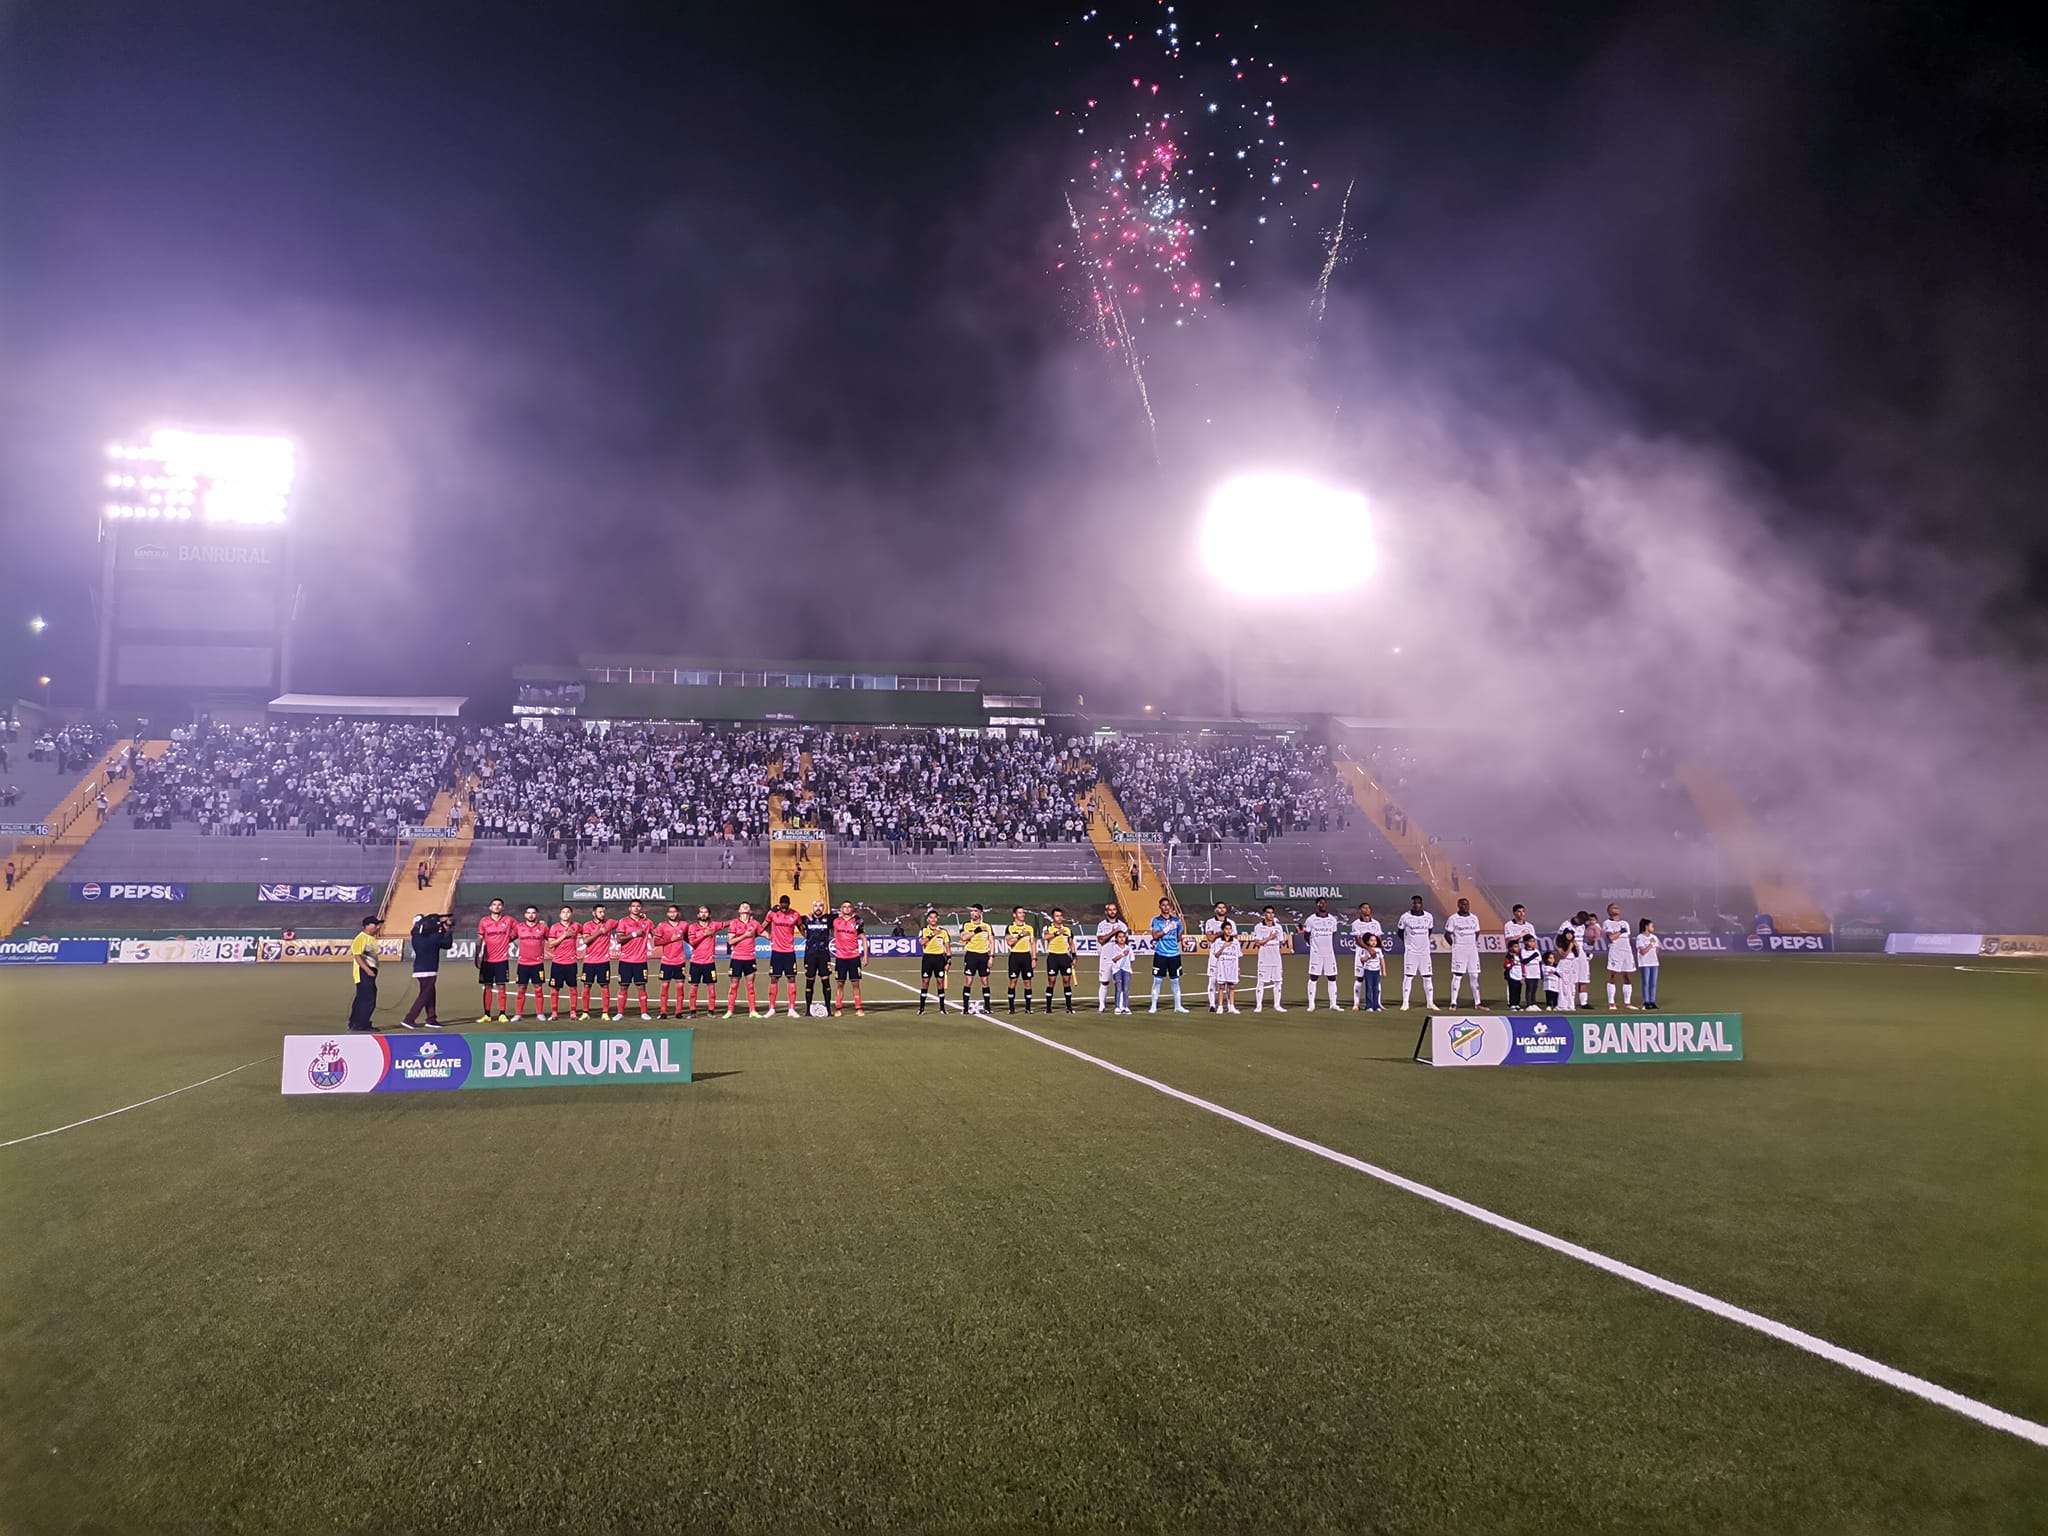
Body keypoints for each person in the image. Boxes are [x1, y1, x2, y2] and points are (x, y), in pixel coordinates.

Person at [402, 911, 451, 1029]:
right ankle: (409, 1019)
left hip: (419, 968)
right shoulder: (433, 937)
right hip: (429, 969)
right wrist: (447, 930)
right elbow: (447, 944)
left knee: (430, 994)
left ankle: (431, 1018)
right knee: (425, 995)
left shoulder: (417, 937)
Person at [476, 897, 515, 1024]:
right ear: (490, 907)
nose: (496, 907)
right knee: (487, 986)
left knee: (501, 986)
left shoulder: (508, 920)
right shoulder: (484, 921)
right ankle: (487, 1014)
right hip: (487, 960)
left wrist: (509, 939)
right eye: (494, 904)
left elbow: (520, 929)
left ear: (502, 907)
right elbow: (480, 939)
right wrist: (477, 955)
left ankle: (502, 1014)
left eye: (499, 905)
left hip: (502, 960)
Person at [615, 900, 656, 1020]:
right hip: (625, 961)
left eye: (638, 906)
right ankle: (620, 1013)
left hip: (641, 961)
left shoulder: (647, 922)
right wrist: (634, 934)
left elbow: (656, 934)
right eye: (633, 906)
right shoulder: (623, 921)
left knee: (641, 987)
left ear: (641, 908)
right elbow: (619, 939)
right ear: (629, 908)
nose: (636, 908)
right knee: (623, 986)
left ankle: (644, 1012)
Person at [764, 895, 803, 1017]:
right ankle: (771, 1008)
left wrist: (810, 937)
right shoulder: (772, 914)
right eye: (782, 905)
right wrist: (766, 935)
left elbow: (802, 929)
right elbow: (763, 925)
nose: (784, 907)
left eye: (786, 905)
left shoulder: (795, 915)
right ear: (780, 904)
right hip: (776, 952)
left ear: (789, 904)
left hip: (789, 952)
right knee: (774, 978)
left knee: (791, 978)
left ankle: (791, 1009)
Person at [1148, 898, 1189, 1014]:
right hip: (1161, 954)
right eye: (1163, 905)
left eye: (1168, 905)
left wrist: (1182, 940)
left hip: (1174, 954)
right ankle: (1153, 1006)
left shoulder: (1177, 920)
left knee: (1175, 981)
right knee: (1157, 980)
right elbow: (1155, 936)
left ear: (1170, 907)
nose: (1166, 907)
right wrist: (1166, 929)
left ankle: (1178, 1006)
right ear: (1160, 906)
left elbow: (1178, 935)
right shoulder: (1156, 920)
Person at [724, 901, 765, 1018]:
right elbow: (730, 941)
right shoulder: (734, 923)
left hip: (750, 958)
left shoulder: (755, 923)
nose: (745, 906)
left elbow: (765, 934)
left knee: (751, 986)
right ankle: (730, 1011)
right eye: (742, 905)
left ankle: (752, 1011)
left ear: (750, 910)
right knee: (734, 986)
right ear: (739, 910)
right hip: (737, 958)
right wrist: (745, 935)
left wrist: (774, 938)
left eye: (747, 906)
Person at [1300, 898, 1341, 1010]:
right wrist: (1313, 946)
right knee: (1313, 977)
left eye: (1324, 903)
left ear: (1326, 905)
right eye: (1319, 903)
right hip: (1316, 954)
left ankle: (1333, 1004)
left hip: (1329, 954)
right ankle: (1311, 1004)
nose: (1322, 905)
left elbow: (1334, 935)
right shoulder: (1311, 919)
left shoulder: (1332, 919)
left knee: (1332, 977)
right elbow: (1306, 935)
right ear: (1316, 905)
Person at [578, 903, 617, 1021]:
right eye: (600, 912)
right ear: (594, 913)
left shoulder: (610, 923)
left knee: (605, 986)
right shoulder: (587, 925)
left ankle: (605, 1013)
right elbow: (585, 941)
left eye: (604, 912)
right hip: (589, 962)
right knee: (586, 986)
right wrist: (599, 932)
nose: (602, 914)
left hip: (604, 962)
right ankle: (585, 1012)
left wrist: (641, 917)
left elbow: (624, 922)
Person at [1398, 895, 1437, 1011]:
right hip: (1411, 953)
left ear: (1421, 904)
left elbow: (1429, 931)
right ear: (1412, 904)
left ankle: (1430, 1003)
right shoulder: (1405, 917)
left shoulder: (1429, 916)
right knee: (1409, 976)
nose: (1416, 905)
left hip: (1425, 953)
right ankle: (1405, 1003)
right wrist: (1408, 944)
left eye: (1418, 903)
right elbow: (1400, 932)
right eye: (1414, 903)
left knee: (1427, 977)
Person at [511, 904, 548, 1021]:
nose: (531, 915)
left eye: (533, 913)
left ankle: (540, 1013)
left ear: (536, 914)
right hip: (523, 964)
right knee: (521, 989)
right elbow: (508, 938)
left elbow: (552, 940)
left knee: (538, 989)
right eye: (528, 913)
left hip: (537, 963)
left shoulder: (543, 928)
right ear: (525, 915)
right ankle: (518, 1014)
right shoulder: (519, 927)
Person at [685, 905, 724, 1016]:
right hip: (695, 963)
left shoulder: (714, 925)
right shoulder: (692, 927)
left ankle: (711, 1011)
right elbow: (692, 943)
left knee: (711, 989)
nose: (703, 914)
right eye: (701, 912)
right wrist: (704, 934)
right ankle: (693, 1011)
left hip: (709, 963)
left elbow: (727, 923)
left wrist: (743, 916)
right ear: (698, 915)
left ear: (709, 914)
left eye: (705, 912)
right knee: (693, 989)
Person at [347, 915, 384, 1031]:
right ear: (367, 926)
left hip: (368, 971)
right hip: (363, 971)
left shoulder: (370, 938)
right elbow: (357, 955)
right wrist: (368, 970)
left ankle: (355, 1023)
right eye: (375, 924)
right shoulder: (361, 938)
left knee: (361, 998)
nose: (378, 927)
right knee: (368, 999)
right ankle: (362, 1024)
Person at [653, 903, 689, 1018]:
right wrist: (670, 939)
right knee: (664, 988)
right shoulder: (662, 925)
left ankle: (679, 1012)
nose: (672, 914)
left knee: (680, 988)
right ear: (667, 913)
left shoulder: (684, 925)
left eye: (674, 912)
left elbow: (690, 939)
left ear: (678, 913)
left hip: (680, 961)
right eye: (670, 912)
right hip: (666, 962)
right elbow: (656, 942)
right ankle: (663, 1012)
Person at [1446, 897, 1484, 1008]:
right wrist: (1455, 946)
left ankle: (1478, 1003)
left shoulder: (1474, 918)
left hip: (1472, 950)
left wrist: (1472, 943)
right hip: (1460, 950)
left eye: (1467, 904)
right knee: (1458, 975)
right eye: (1462, 904)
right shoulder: (1453, 918)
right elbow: (1447, 934)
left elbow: (1477, 932)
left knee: (1474, 975)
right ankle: (1453, 1003)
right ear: (1458, 905)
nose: (1465, 906)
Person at [545, 906, 580, 1021]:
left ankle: (573, 1012)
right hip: (558, 963)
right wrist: (564, 935)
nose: (566, 914)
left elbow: (588, 932)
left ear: (571, 914)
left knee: (573, 988)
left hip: (571, 962)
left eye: (568, 912)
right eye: (563, 912)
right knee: (555, 989)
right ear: (560, 915)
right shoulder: (554, 927)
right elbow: (551, 944)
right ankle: (554, 1013)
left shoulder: (577, 926)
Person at [831, 900, 866, 1016]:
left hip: (854, 957)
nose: (846, 908)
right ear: (841, 909)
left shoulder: (857, 922)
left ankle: (858, 1007)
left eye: (848, 907)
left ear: (852, 909)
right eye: (844, 907)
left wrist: (865, 956)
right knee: (840, 983)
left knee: (855, 983)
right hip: (840, 958)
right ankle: (838, 1008)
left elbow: (864, 939)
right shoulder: (835, 921)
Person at [1250, 905, 1287, 1012]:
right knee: (1261, 982)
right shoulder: (1258, 927)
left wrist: (1279, 942)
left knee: (1278, 981)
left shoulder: (1278, 927)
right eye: (1268, 913)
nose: (1270, 915)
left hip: (1276, 959)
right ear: (1264, 914)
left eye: (1272, 913)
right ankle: (1258, 1006)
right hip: (1264, 958)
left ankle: (1277, 1005)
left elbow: (1281, 941)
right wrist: (1269, 938)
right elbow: (1258, 943)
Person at [958, 904, 994, 1014]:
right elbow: (963, 937)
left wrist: (991, 957)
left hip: (984, 955)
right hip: (971, 955)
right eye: (972, 911)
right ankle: (965, 1008)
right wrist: (975, 931)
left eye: (975, 911)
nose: (972, 913)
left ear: (980, 913)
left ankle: (987, 1007)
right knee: (968, 981)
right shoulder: (967, 925)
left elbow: (992, 941)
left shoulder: (987, 926)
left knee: (985, 981)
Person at [1601, 902, 1637, 1010]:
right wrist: (1620, 932)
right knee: (1613, 975)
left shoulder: (1625, 923)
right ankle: (1611, 1003)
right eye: (1613, 908)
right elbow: (1611, 937)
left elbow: (1627, 937)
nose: (1616, 909)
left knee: (1627, 976)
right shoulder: (1607, 923)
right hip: (1615, 951)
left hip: (1627, 951)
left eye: (1617, 907)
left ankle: (1627, 1003)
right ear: (1609, 911)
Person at [1348, 902, 1383, 1011]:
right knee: (1359, 978)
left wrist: (1378, 951)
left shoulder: (1376, 923)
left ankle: (1377, 1003)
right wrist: (1369, 949)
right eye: (1364, 907)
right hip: (1361, 953)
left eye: (1368, 907)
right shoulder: (1356, 923)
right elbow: (1358, 940)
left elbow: (1379, 939)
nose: (1367, 909)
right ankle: (1356, 1003)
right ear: (1360, 910)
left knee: (1376, 979)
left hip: (1374, 955)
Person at [802, 901, 835, 1014]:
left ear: (824, 908)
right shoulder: (805, 919)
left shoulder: (829, 919)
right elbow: (793, 919)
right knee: (809, 982)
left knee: (825, 981)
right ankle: (807, 1010)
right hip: (810, 955)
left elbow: (846, 914)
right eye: (816, 906)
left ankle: (829, 1009)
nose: (818, 908)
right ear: (812, 907)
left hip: (824, 955)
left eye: (821, 906)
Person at [917, 908, 951, 1014]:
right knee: (925, 982)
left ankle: (942, 1008)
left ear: (937, 919)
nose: (933, 919)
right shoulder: (923, 930)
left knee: (940, 982)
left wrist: (948, 961)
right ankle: (921, 1008)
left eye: (935, 917)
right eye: (931, 917)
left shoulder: (943, 931)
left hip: (939, 958)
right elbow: (921, 942)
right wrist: (932, 934)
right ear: (928, 919)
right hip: (927, 958)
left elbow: (948, 947)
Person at [1041, 906, 1075, 1013]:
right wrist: (1056, 933)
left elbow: (1071, 943)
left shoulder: (1067, 930)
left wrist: (1074, 956)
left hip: (1064, 957)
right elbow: (1045, 937)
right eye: (1057, 916)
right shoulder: (1048, 928)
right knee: (1052, 981)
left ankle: (1069, 1007)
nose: (1059, 918)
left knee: (1066, 981)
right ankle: (1048, 1007)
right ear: (1053, 917)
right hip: (1053, 957)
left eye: (1060, 916)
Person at [1004, 906, 1037, 1013]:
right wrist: (1020, 935)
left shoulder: (1030, 928)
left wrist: (1034, 958)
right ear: (1014, 915)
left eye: (1023, 912)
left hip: (1026, 957)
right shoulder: (1010, 927)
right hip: (1014, 956)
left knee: (1027, 982)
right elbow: (1009, 942)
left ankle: (1028, 1008)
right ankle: (1011, 1008)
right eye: (1020, 913)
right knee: (1013, 981)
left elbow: (1033, 943)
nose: (1023, 914)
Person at [1094, 901, 1124, 1012]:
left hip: (1118, 958)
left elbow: (1126, 942)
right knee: (1104, 982)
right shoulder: (1101, 925)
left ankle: (1119, 1006)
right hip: (1105, 957)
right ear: (1106, 912)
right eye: (1110, 910)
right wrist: (1113, 932)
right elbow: (1101, 940)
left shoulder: (1122, 925)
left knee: (1119, 982)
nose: (1112, 911)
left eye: (1114, 909)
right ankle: (1102, 1005)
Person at [1202, 901, 1230, 1011]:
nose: (1221, 909)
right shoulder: (1210, 922)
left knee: (1228, 981)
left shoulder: (1231, 923)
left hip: (1228, 956)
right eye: (1219, 907)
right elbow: (1210, 938)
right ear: (1215, 909)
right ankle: (1212, 1004)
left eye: (1223, 907)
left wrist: (1219, 933)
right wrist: (1221, 933)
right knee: (1212, 980)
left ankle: (1228, 1004)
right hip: (1214, 956)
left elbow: (1234, 938)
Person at [1210, 920, 1243, 1013]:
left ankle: (1232, 1006)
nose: (1228, 931)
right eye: (1226, 929)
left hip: (1233, 967)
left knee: (1232, 987)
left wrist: (1238, 968)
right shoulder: (1218, 941)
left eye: (1230, 929)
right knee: (1221, 987)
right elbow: (1216, 955)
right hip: (1222, 966)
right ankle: (1220, 1006)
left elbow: (1238, 955)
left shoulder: (1235, 942)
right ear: (1223, 930)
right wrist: (1224, 946)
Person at [1101, 925, 1134, 1014]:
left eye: (1123, 937)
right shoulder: (1114, 948)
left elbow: (1132, 960)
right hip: (1117, 970)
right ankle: (1118, 1007)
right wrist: (1123, 955)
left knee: (1126, 988)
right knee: (1119, 988)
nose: (1122, 939)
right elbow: (1114, 959)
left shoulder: (1129, 948)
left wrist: (1128, 966)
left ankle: (1125, 1006)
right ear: (1116, 939)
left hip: (1126, 970)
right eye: (1119, 937)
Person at [1635, 918, 1662, 1008]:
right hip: (1644, 963)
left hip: (1654, 963)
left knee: (1653, 983)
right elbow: (1642, 951)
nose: (1653, 928)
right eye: (1652, 926)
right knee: (1645, 982)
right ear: (1646, 926)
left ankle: (1652, 1001)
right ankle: (1646, 1002)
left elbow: (1658, 948)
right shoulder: (1640, 937)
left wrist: (1654, 952)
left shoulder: (1654, 937)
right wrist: (1650, 945)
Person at [1358, 933, 1385, 1011]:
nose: (1373, 942)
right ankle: (1369, 1006)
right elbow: (1362, 959)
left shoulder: (1379, 950)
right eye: (1371, 940)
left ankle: (1376, 1006)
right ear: (1368, 942)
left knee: (1376, 989)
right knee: (1369, 988)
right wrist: (1368, 957)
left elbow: (1382, 960)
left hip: (1376, 971)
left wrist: (1384, 971)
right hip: (1368, 971)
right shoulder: (1365, 950)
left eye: (1375, 940)